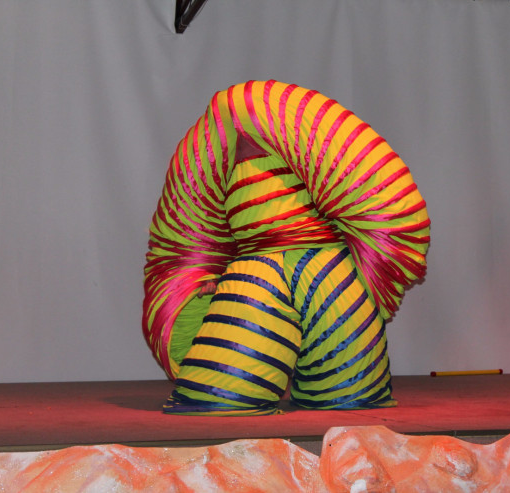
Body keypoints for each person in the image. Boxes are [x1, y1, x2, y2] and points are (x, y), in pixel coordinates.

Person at [143, 80, 430, 415]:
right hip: (301, 274)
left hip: (301, 273)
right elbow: (185, 238)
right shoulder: (219, 148)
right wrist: (198, 281)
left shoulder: (222, 144)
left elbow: (183, 232)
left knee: (231, 395)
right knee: (228, 396)